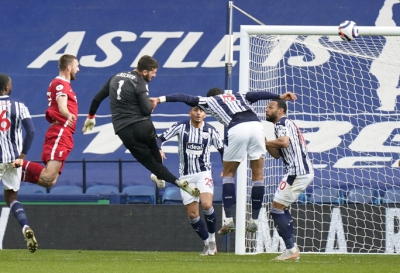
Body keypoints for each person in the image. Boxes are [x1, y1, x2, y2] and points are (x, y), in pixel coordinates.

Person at [150, 88, 296, 235]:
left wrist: (160, 99)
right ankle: (255, 220)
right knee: (258, 175)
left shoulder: (209, 101)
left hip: (238, 127)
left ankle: (228, 220)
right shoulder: (238, 95)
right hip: (257, 127)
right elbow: (258, 94)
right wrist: (279, 96)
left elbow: (184, 96)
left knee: (229, 174)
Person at [82, 55, 199, 197]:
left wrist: (91, 117)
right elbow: (146, 110)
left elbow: (97, 98)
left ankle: (176, 181)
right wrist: (151, 104)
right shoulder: (140, 82)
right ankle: (163, 176)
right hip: (143, 126)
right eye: (153, 72)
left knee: (150, 163)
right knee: (155, 155)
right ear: (144, 72)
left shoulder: (115, 77)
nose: (154, 75)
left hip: (123, 130)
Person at [156, 106, 224, 255]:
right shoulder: (181, 127)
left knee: (206, 204)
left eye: (201, 111)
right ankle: (206, 243)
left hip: (203, 173)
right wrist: (159, 149)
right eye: (195, 110)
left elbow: (222, 149)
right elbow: (160, 138)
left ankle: (212, 241)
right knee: (193, 215)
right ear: (190, 113)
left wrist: (226, 167)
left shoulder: (211, 130)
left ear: (205, 114)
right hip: (186, 177)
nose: (198, 113)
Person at [265, 99, 314, 260]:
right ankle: (291, 248)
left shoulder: (281, 123)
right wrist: (266, 145)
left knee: (276, 209)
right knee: (281, 208)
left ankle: (291, 250)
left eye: (271, 107)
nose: (266, 110)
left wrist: (263, 141)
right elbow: (278, 154)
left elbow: (284, 143)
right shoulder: (286, 124)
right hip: (300, 171)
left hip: (297, 172)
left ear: (281, 111)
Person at [21, 54, 79, 188]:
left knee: (50, 182)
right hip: (60, 131)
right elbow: (62, 105)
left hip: (64, 132)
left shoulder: (62, 84)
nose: (78, 69)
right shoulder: (61, 84)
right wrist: (68, 114)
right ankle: (12, 162)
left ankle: (14, 172)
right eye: (77, 66)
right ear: (69, 67)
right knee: (47, 175)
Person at [0, 74, 38, 252]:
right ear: (7, 88)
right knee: (12, 198)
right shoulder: (19, 106)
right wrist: (22, 156)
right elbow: (30, 131)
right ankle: (25, 226)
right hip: (13, 160)